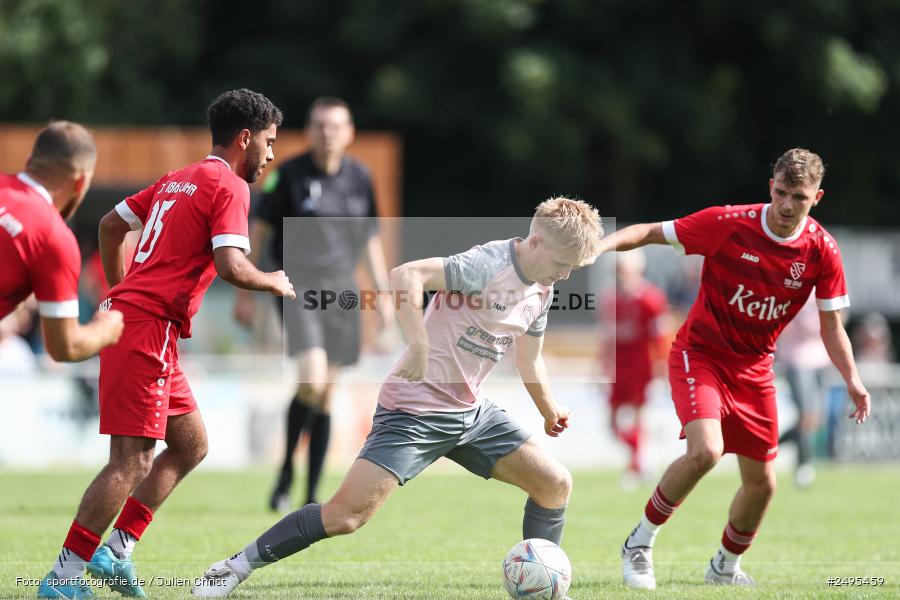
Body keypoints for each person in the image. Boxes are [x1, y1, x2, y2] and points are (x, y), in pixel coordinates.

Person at [191, 197, 602, 598]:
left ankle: (541, 588)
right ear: (535, 243)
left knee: (555, 485)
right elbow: (405, 275)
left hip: (471, 414)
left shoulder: (542, 290)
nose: (565, 276)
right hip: (414, 411)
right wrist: (418, 345)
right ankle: (231, 569)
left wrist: (549, 410)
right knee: (344, 517)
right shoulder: (488, 265)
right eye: (562, 264)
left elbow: (530, 360)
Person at [38, 89, 293, 600]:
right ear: (245, 138)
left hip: (145, 326)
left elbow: (111, 227)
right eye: (267, 143)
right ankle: (63, 579)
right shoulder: (231, 186)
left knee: (191, 444)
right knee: (131, 460)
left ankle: (117, 550)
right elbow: (231, 265)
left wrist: (118, 294)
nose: (270, 155)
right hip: (146, 328)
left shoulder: (179, 178)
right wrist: (272, 281)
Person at [598, 148, 871, 589]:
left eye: (798, 198)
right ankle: (639, 544)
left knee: (763, 484)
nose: (786, 205)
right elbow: (650, 231)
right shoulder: (729, 224)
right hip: (700, 354)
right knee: (706, 450)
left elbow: (831, 326)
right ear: (770, 187)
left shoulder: (822, 250)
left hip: (755, 369)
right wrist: (600, 246)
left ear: (817, 198)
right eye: (780, 193)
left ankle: (724, 566)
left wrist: (853, 380)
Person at [233, 96, 392, 511]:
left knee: (325, 395)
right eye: (321, 125)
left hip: (342, 294)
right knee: (312, 378)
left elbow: (370, 240)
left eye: (336, 126)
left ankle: (311, 493)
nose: (328, 133)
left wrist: (384, 295)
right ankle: (286, 470)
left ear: (350, 132)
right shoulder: (286, 176)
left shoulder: (360, 177)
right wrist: (245, 290)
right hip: (296, 289)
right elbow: (259, 234)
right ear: (309, 131)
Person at [0, 121, 123, 361]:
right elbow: (64, 347)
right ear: (80, 181)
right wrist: (106, 330)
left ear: (29, 162)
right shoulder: (54, 236)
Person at [598, 249, 671, 486]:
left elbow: (660, 335)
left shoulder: (651, 297)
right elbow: (606, 337)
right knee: (612, 423)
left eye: (623, 267)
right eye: (617, 268)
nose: (619, 273)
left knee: (639, 416)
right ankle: (641, 457)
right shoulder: (609, 298)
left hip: (640, 364)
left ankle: (637, 464)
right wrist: (600, 366)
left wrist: (663, 366)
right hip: (617, 366)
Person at [776, 296, 831, 488]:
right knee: (806, 415)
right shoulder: (794, 287)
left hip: (821, 358)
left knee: (817, 419)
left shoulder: (823, 286)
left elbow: (837, 319)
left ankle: (771, 446)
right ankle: (803, 464)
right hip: (797, 359)